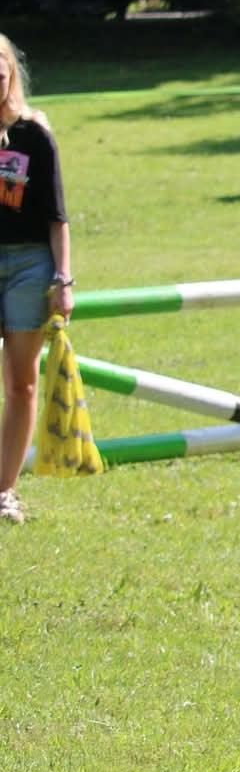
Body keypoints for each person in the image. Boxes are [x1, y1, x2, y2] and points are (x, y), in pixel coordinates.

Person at [0, 34, 74, 523]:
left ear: (10, 74)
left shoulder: (34, 134)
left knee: (22, 386)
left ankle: (4, 491)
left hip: (29, 266)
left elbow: (56, 215)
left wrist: (63, 279)